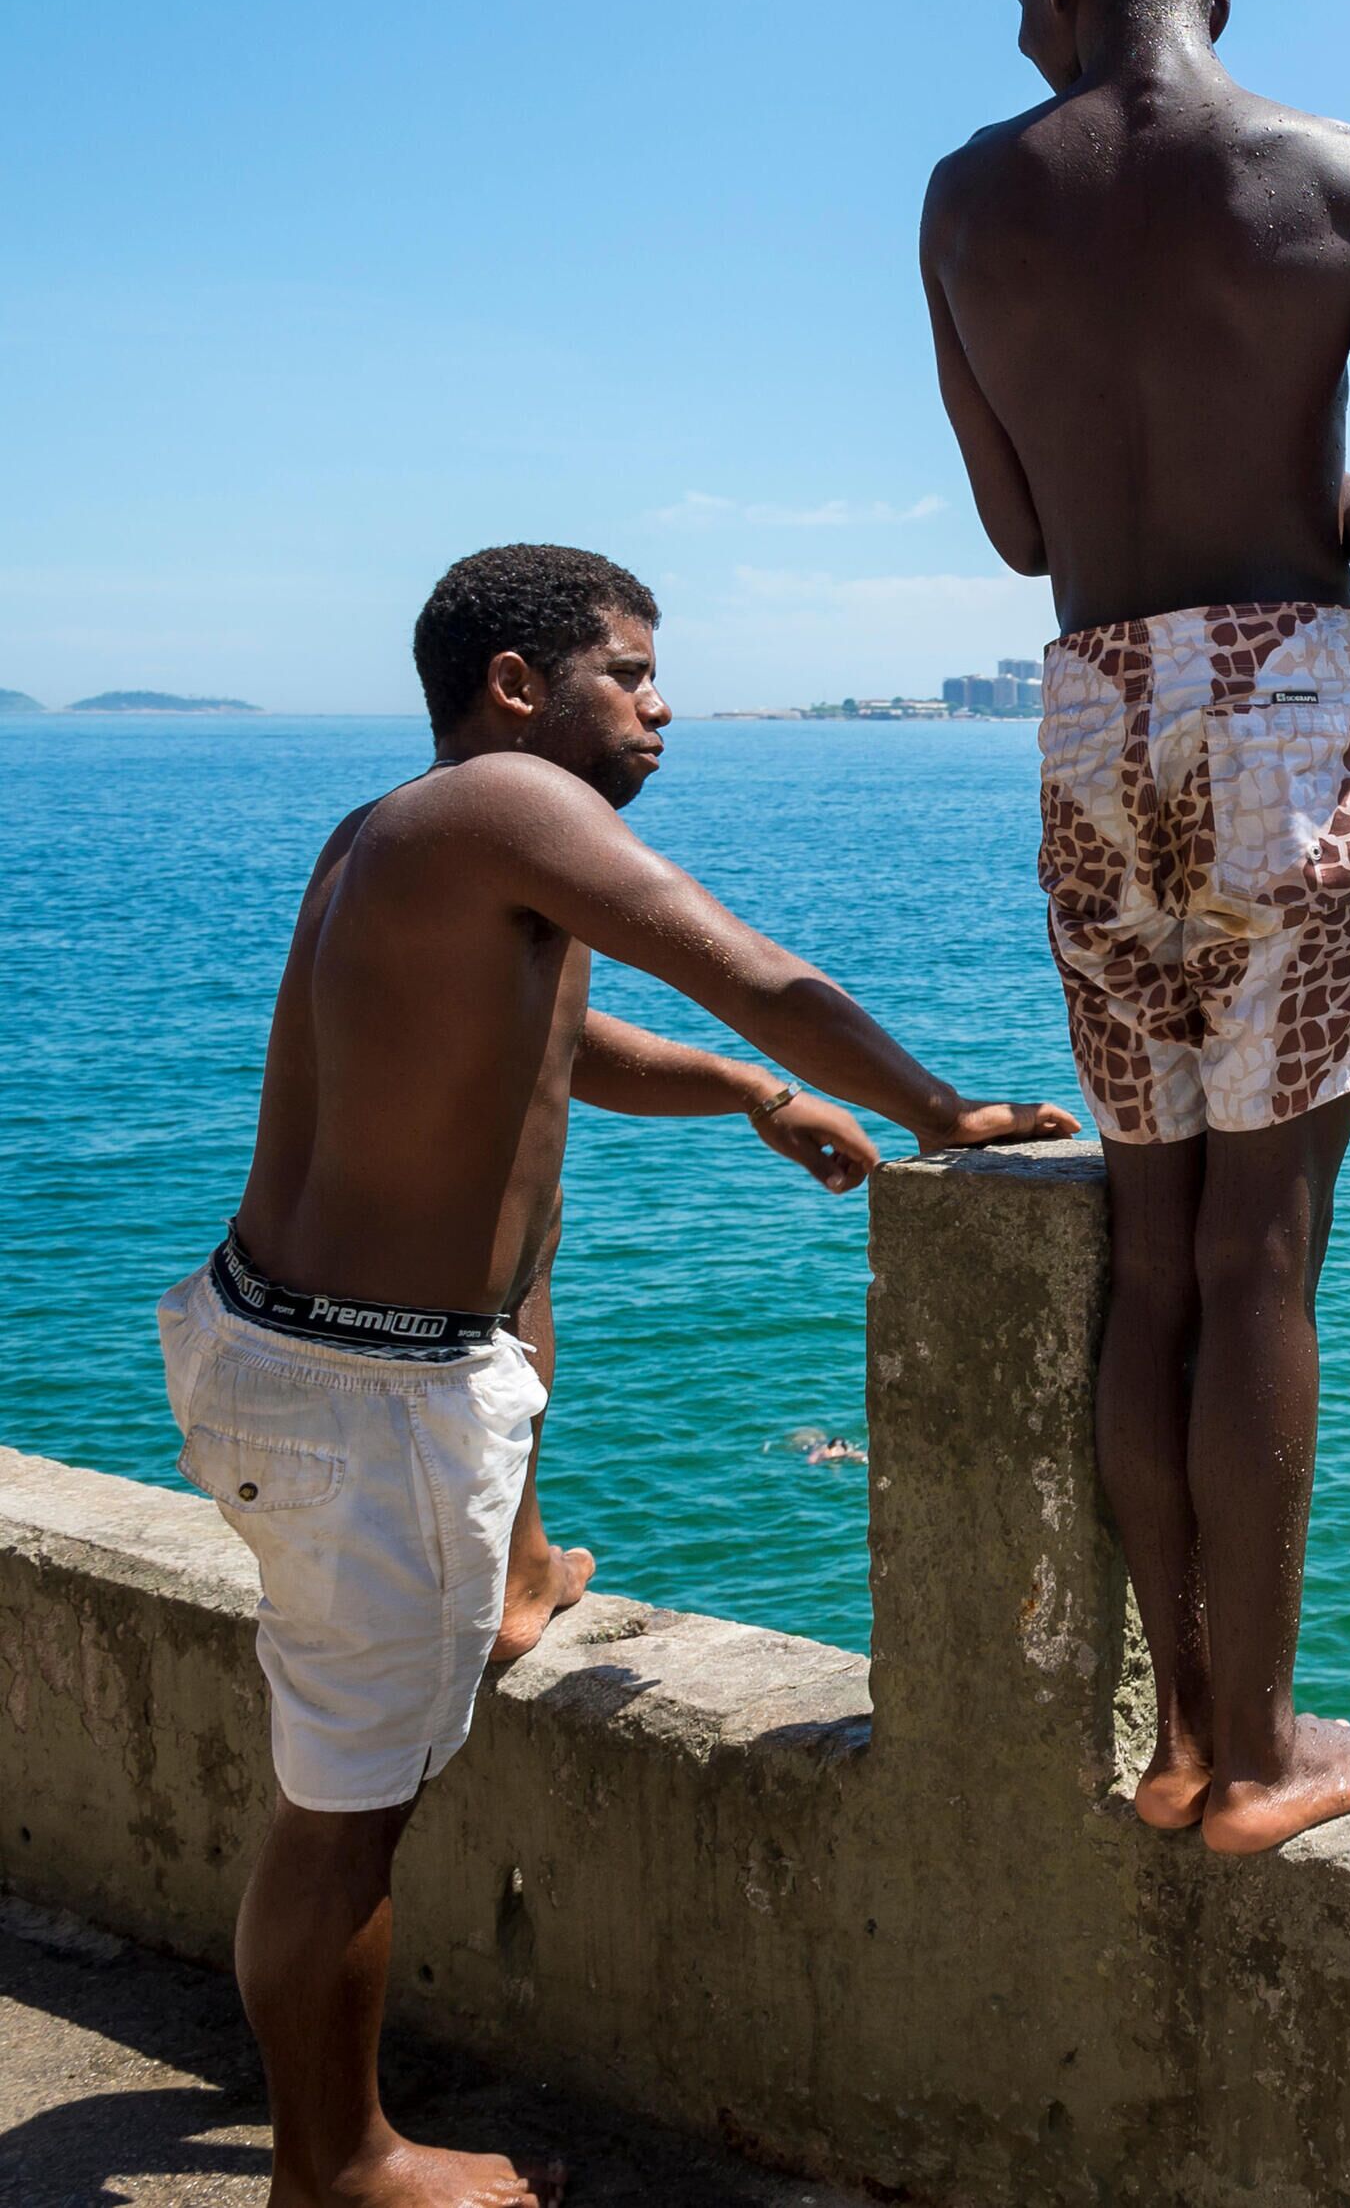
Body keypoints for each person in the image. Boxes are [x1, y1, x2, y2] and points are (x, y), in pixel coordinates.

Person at [166, 544, 1076, 2208]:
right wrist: (940, 1113)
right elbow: (734, 957)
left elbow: (558, 1046)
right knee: (342, 1815)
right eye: (632, 674)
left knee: (490, 1362)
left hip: (284, 1349)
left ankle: (509, 1579)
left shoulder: (406, 834)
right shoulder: (508, 810)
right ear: (518, 688)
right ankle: (335, 2166)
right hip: (362, 1397)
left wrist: (745, 1094)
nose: (665, 709)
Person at [925, 0, 1350, 1856]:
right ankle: (1259, 1750)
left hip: (1095, 721)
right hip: (1297, 715)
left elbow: (1023, 528)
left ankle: (1177, 1739)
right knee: (1269, 1258)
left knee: (1157, 1253)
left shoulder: (969, 202)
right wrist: (1281, 491)